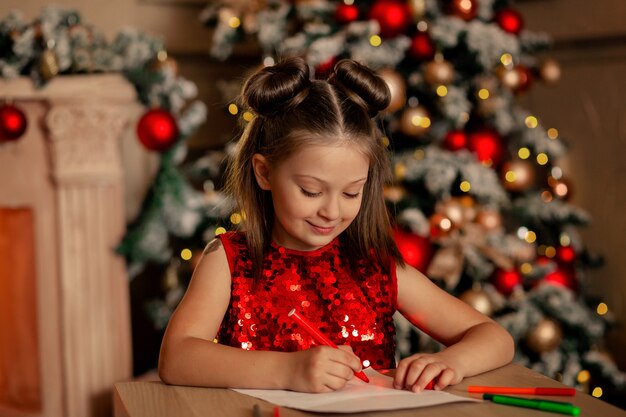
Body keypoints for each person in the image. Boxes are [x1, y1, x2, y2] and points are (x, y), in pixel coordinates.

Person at [158, 56, 514, 394]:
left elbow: (493, 336)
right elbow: (176, 359)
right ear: (264, 172)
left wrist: (450, 362)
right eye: (311, 191)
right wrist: (288, 371)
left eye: (350, 193)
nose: (331, 211)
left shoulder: (375, 267)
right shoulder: (230, 261)